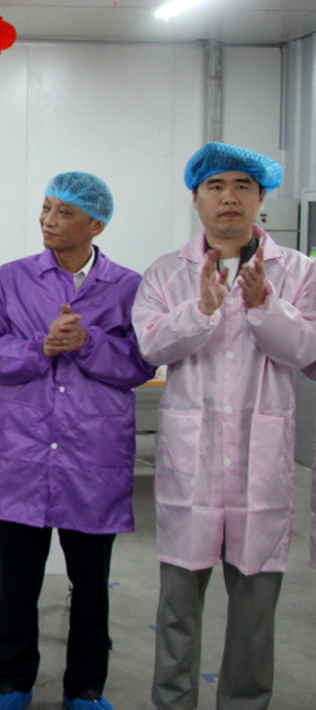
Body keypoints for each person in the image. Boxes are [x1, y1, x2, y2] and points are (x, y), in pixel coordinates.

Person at [132, 142, 316, 710]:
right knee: (177, 610)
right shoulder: (167, 272)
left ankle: (245, 703)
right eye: (215, 186)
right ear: (196, 198)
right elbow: (151, 347)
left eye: (242, 186)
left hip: (261, 467)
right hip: (192, 467)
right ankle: (172, 702)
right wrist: (203, 310)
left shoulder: (299, 272)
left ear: (261, 197)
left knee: (255, 616)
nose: (229, 197)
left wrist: (265, 305)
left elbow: (306, 351)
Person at [0, 173, 156, 710]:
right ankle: (12, 683)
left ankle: (86, 689)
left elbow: (141, 363)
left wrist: (89, 341)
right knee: (17, 583)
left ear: (97, 225)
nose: (49, 221)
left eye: (64, 212)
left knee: (91, 586)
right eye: (46, 208)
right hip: (23, 455)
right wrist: (43, 346)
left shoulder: (128, 287)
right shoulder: (13, 279)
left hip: (92, 458)